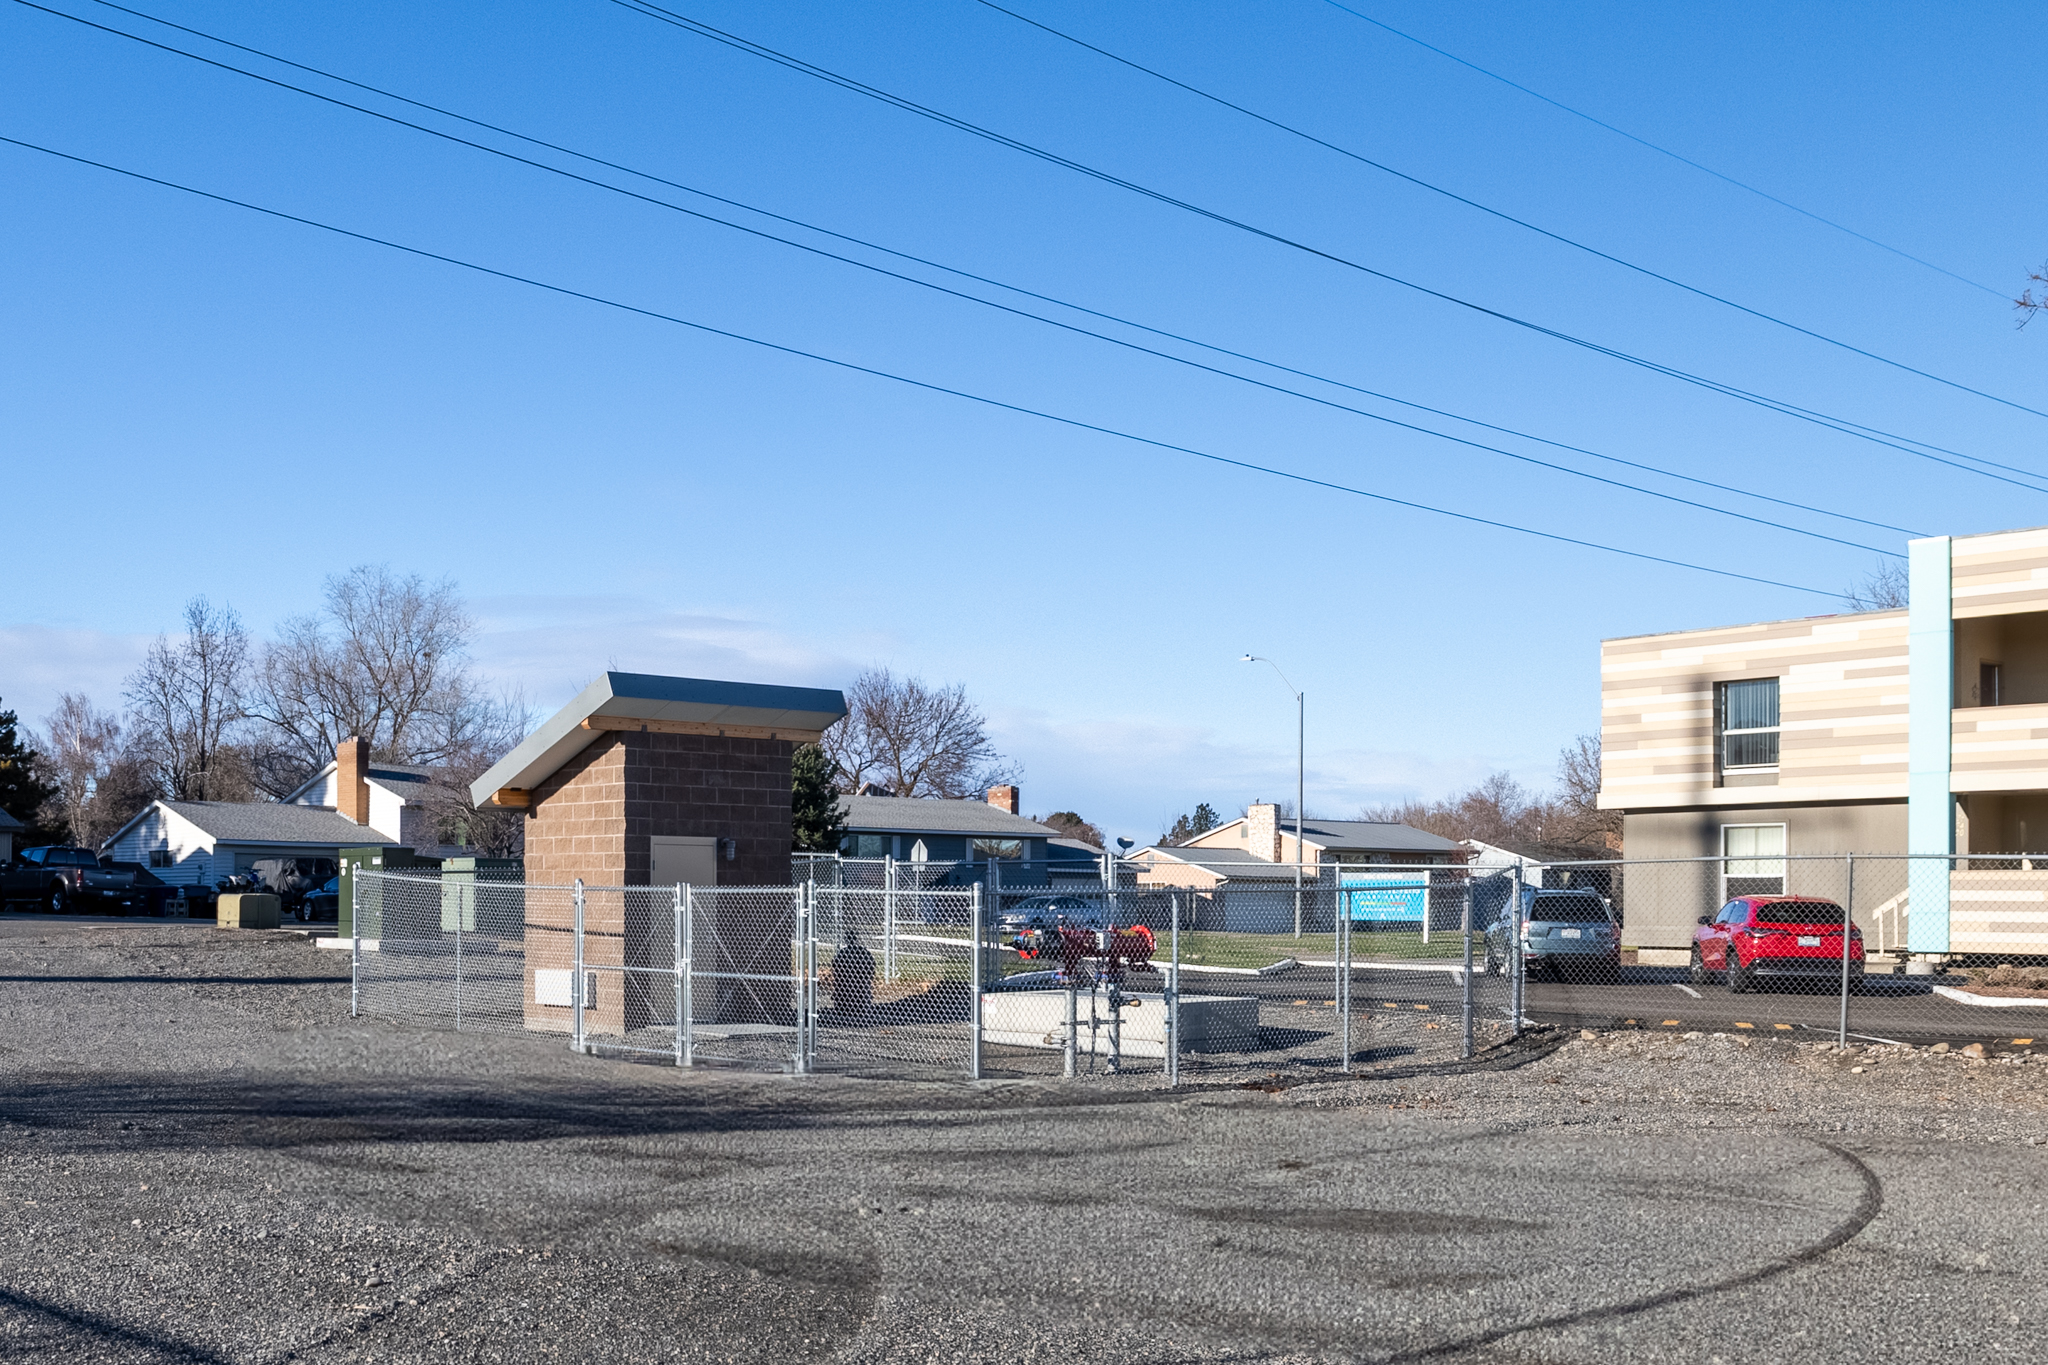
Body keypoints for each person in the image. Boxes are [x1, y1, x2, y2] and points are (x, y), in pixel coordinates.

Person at [830, 927, 875, 1014]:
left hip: (844, 986)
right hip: (859, 986)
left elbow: (835, 966)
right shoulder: (864, 952)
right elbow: (871, 967)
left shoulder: (842, 953)